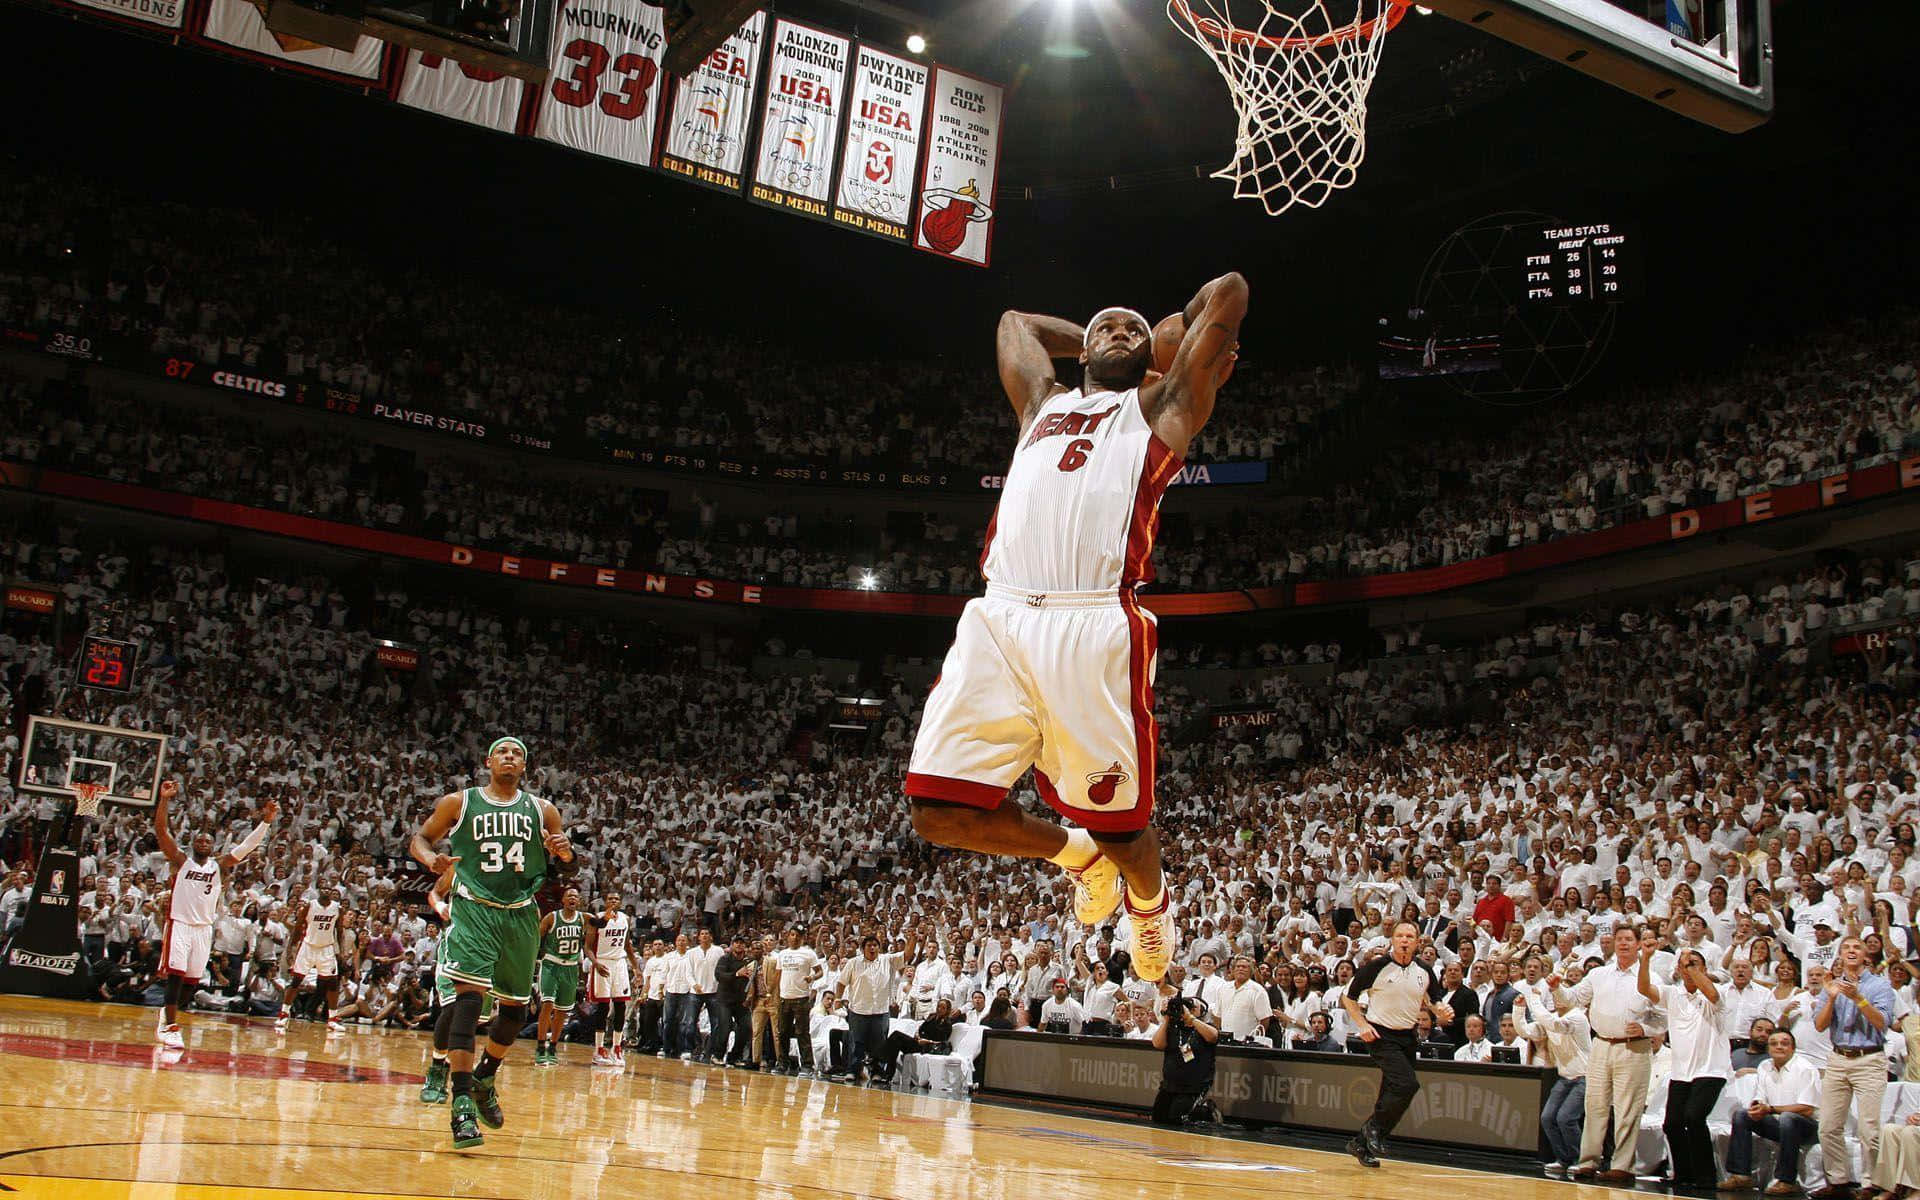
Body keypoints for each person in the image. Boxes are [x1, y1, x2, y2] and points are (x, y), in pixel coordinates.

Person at [904, 275, 1250, 983]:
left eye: (1132, 329)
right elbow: (1013, 322)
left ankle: (1151, 909)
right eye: (1106, 329)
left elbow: (1232, 292)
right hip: (998, 618)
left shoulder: (1160, 405)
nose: (1121, 333)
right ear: (1083, 351)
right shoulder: (1043, 404)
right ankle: (1073, 855)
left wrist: (1162, 336)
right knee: (935, 812)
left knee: (1121, 827)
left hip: (1092, 620)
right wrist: (1097, 331)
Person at [408, 735, 573, 1150]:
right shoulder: (459, 803)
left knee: (516, 1011)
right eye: (502, 751)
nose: (509, 756)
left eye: (517, 753)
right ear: (488, 761)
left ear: (525, 767)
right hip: (474, 907)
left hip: (520, 911)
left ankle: (485, 1076)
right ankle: (461, 1101)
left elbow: (565, 865)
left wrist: (567, 854)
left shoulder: (543, 810)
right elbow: (420, 839)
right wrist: (432, 861)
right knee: (466, 1002)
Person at [151, 780, 277, 1048]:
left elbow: (246, 847)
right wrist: (164, 799)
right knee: (175, 975)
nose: (204, 842)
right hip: (180, 924)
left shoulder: (219, 866)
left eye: (208, 840)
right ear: (194, 844)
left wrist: (266, 822)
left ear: (213, 845)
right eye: (200, 839)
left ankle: (166, 1015)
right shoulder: (181, 861)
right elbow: (161, 831)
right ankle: (172, 1026)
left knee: (191, 983)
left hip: (203, 928)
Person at [1341, 923, 1455, 1167]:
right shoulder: (1377, 966)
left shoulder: (1424, 970)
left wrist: (1441, 1010)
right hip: (1380, 1034)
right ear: (1392, 940)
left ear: (1417, 942)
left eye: (1410, 936)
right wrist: (1362, 1024)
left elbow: (1434, 1001)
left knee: (1391, 1092)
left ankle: (1360, 1144)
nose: (1405, 940)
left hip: (1407, 1036)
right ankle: (1374, 1129)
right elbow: (1348, 997)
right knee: (1407, 1084)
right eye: (1400, 936)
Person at [1555, 925, 1661, 1183]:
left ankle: (1622, 1166)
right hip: (1601, 1044)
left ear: (1638, 944)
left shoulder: (1650, 977)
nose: (1623, 943)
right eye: (1619, 939)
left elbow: (1664, 1015)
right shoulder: (1598, 974)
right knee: (1595, 1106)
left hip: (1633, 1046)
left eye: (1629, 939)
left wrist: (1646, 1028)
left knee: (1627, 1108)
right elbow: (1571, 999)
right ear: (1613, 943)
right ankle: (1588, 1161)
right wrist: (1556, 986)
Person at [1813, 934, 1897, 1198]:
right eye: (1846, 947)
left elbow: (1882, 1022)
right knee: (1827, 1126)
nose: (1851, 950)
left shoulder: (1880, 986)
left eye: (1856, 947)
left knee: (1869, 1129)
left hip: (1869, 1059)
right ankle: (1838, 1182)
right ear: (1840, 955)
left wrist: (1859, 998)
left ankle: (1871, 1184)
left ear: (1865, 955)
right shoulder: (1832, 985)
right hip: (1838, 1058)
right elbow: (1819, 1025)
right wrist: (1830, 997)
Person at [1644, 945, 1729, 1189]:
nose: (1689, 968)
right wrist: (1646, 959)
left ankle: (1706, 1177)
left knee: (1694, 1116)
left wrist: (1692, 967)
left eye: (1694, 964)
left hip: (1710, 1069)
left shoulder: (1718, 991)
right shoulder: (1673, 994)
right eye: (1685, 965)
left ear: (1703, 968)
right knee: (1671, 1123)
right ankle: (1684, 1174)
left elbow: (1712, 995)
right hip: (1682, 1071)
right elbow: (1643, 988)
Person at [1721, 1030, 1821, 1196]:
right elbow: (1760, 1097)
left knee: (1788, 1118)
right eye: (1774, 1043)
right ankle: (1741, 1175)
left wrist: (1771, 1109)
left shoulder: (1806, 1068)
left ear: (1793, 1048)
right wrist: (1757, 1107)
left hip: (1808, 1128)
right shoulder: (1764, 1066)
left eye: (1784, 1043)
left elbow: (1807, 1109)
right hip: (1778, 1123)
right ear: (1768, 1048)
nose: (1779, 1046)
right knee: (1742, 1115)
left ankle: (1786, 1181)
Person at [1513, 986, 1591, 1176]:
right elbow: (1524, 1031)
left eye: (1560, 994)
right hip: (1564, 1078)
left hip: (1584, 1077)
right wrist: (1519, 1009)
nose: (1557, 998)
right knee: (1547, 1118)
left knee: (1565, 1118)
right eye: (1554, 995)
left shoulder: (1577, 1017)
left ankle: (1580, 1159)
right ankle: (1563, 1159)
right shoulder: (1550, 1018)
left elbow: (1554, 1024)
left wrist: (1534, 1000)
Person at [276, 885, 346, 1034]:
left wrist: (341, 951)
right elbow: (297, 928)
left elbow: (340, 931)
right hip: (308, 947)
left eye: (329, 889)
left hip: (327, 948)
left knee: (332, 983)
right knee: (296, 980)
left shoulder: (337, 909)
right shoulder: (310, 906)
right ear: (319, 891)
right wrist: (290, 949)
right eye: (324, 888)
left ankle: (333, 1019)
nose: (327, 891)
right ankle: (284, 1014)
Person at [533, 887, 584, 1067]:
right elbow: (536, 939)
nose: (572, 898)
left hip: (570, 968)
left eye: (576, 896)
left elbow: (596, 929)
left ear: (579, 901)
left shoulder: (583, 919)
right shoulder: (552, 918)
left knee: (562, 1011)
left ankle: (553, 1047)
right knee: (547, 1005)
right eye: (569, 895)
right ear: (562, 899)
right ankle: (540, 1047)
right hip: (551, 965)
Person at [1151, 992, 1220, 1126]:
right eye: (1187, 1006)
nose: (1189, 1008)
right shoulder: (1173, 1027)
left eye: (1193, 1007)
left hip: (1194, 1085)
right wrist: (1166, 1018)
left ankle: (1206, 1112)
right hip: (1170, 1084)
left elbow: (1213, 1037)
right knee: (1158, 1118)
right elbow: (1157, 1044)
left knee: (1176, 1118)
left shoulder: (1206, 1027)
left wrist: (1191, 1018)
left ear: (1202, 1011)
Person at [588, 894, 636, 1067]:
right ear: (605, 902)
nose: (614, 901)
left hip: (620, 964)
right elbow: (587, 946)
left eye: (617, 899)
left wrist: (636, 968)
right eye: (610, 899)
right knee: (603, 1006)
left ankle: (617, 1047)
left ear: (620, 902)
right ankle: (599, 1049)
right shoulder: (597, 919)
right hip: (603, 962)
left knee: (621, 1005)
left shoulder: (625, 919)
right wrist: (596, 963)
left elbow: (627, 945)